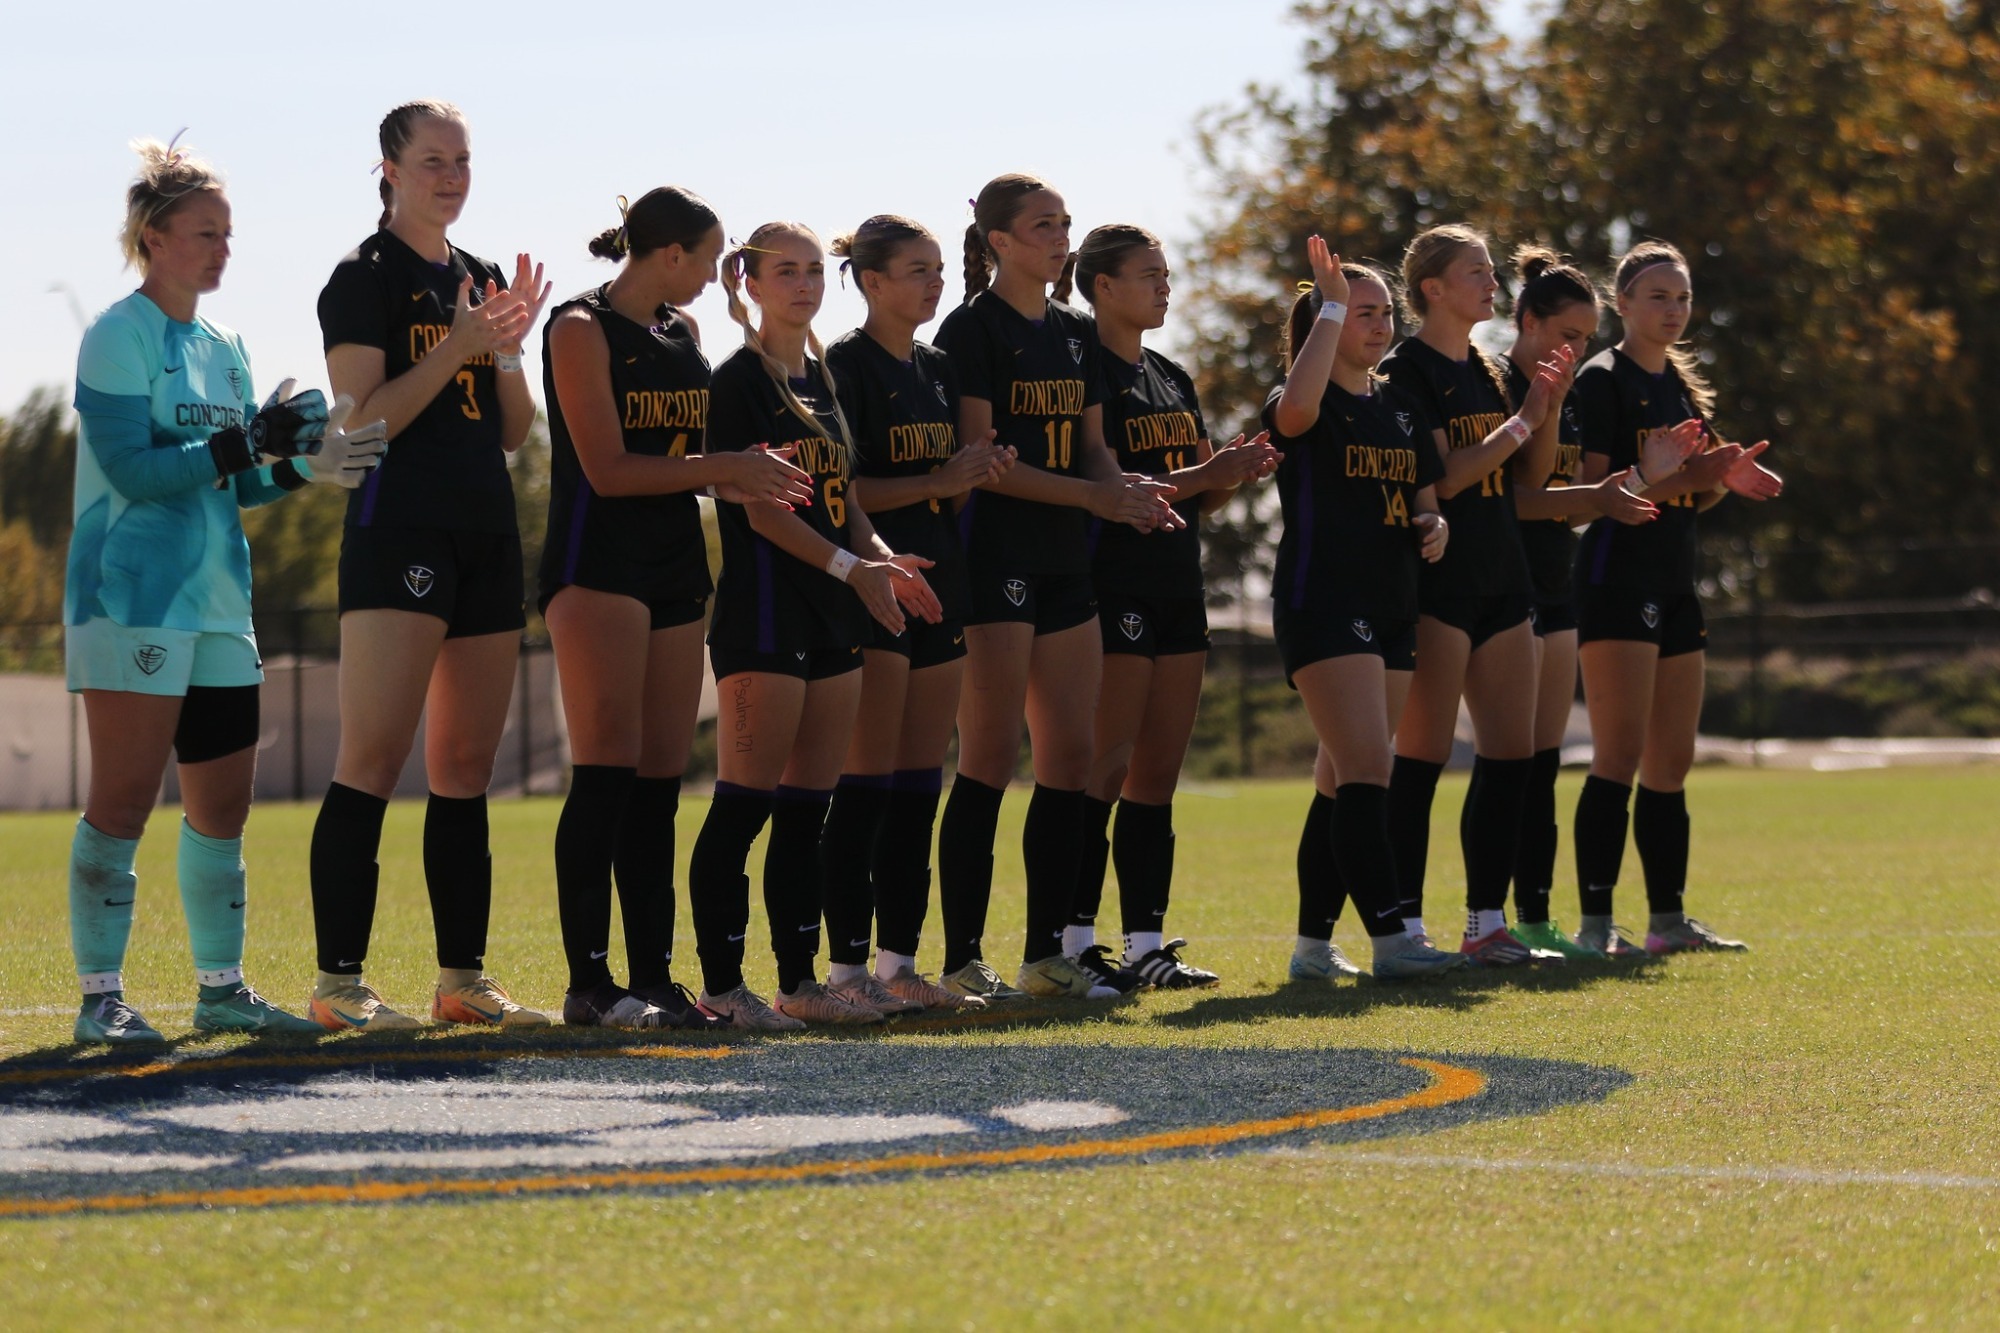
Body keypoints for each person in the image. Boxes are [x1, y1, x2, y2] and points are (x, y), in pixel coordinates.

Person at [65, 135, 385, 1043]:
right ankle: (100, 999)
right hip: (130, 600)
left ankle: (220, 987)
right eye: (205, 233)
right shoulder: (118, 334)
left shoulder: (227, 345)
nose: (222, 250)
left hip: (218, 609)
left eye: (229, 234)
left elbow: (234, 484)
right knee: (123, 800)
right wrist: (250, 443)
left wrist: (305, 468)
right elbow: (130, 470)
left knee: (222, 812)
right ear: (154, 237)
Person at [308, 100, 554, 1031]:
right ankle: (339, 986)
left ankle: (463, 981)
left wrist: (507, 350)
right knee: (372, 756)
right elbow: (358, 421)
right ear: (390, 168)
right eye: (433, 160)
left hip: (484, 531)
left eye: (463, 160)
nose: (452, 175)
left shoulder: (480, 276)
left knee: (464, 764)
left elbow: (515, 432)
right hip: (397, 529)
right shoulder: (361, 277)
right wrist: (459, 344)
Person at [541, 188, 812, 1030]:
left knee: (660, 782)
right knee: (607, 773)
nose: (713, 272)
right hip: (598, 567)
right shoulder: (579, 327)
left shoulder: (684, 333)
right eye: (708, 256)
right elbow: (611, 469)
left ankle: (655, 979)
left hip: (673, 567)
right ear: (668, 255)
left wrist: (741, 467)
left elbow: (690, 457)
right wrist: (722, 465)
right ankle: (591, 982)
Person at [687, 221, 943, 1030]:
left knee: (807, 810)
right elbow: (765, 516)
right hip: (765, 616)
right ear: (750, 283)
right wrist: (850, 569)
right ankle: (724, 990)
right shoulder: (737, 382)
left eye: (810, 271)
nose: (802, 284)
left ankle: (801, 984)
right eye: (783, 272)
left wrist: (882, 560)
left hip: (835, 614)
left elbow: (848, 503)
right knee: (743, 807)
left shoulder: (824, 379)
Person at [932, 173, 1178, 1002]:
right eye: (1042, 225)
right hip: (994, 560)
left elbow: (1092, 446)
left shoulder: (1076, 335)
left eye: (1064, 223)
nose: (1058, 236)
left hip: (1067, 564)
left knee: (1070, 758)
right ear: (998, 240)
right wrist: (1093, 496)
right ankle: (963, 958)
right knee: (991, 757)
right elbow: (984, 463)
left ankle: (1048, 955)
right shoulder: (970, 329)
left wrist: (1124, 491)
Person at [1056, 224, 1278, 988]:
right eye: (1148, 274)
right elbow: (1116, 489)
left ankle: (1146, 946)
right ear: (1103, 286)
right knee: (1105, 766)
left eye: (1166, 272)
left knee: (1158, 774)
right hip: (1111, 582)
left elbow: (1194, 490)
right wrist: (1208, 471)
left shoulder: (1169, 374)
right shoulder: (1084, 369)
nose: (1165, 285)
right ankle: (1077, 942)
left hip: (1176, 583)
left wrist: (1234, 473)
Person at [819, 216, 1014, 1012]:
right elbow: (848, 494)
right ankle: (843, 971)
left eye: (937, 269)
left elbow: (948, 482)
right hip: (879, 586)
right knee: (864, 786)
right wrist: (943, 477)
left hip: (946, 586)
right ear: (870, 281)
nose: (934, 282)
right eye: (915, 270)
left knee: (915, 786)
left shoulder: (936, 365)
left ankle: (901, 965)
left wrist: (974, 471)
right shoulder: (843, 366)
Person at [1570, 240, 1782, 956]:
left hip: (1676, 585)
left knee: (1671, 759)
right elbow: (1596, 500)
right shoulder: (1601, 381)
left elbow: (1686, 494)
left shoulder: (1683, 390)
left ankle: (1667, 921)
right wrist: (1680, 478)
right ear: (1622, 301)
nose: (1672, 309)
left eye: (1682, 297)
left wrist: (1724, 479)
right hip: (1615, 584)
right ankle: (1596, 925)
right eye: (1657, 296)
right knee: (1618, 753)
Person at [1266, 240, 1467, 983]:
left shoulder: (1402, 407)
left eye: (1385, 312)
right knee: (1366, 767)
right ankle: (1392, 939)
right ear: (1323, 319)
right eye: (1361, 312)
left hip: (1391, 605)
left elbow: (1425, 501)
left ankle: (1312, 949)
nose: (1379, 325)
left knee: (1338, 778)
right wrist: (1326, 305)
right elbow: (1291, 413)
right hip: (1324, 601)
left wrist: (1434, 525)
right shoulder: (1306, 397)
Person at [1377, 224, 1572, 966]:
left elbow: (1531, 476)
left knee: (1512, 755)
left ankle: (1487, 922)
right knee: (1421, 758)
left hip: (1504, 576)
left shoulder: (1492, 369)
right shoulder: (1408, 367)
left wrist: (1545, 407)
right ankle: (1405, 928)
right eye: (1475, 272)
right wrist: (1523, 420)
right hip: (1441, 582)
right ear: (1432, 288)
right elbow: (1447, 477)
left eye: (1490, 270)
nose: (1491, 282)